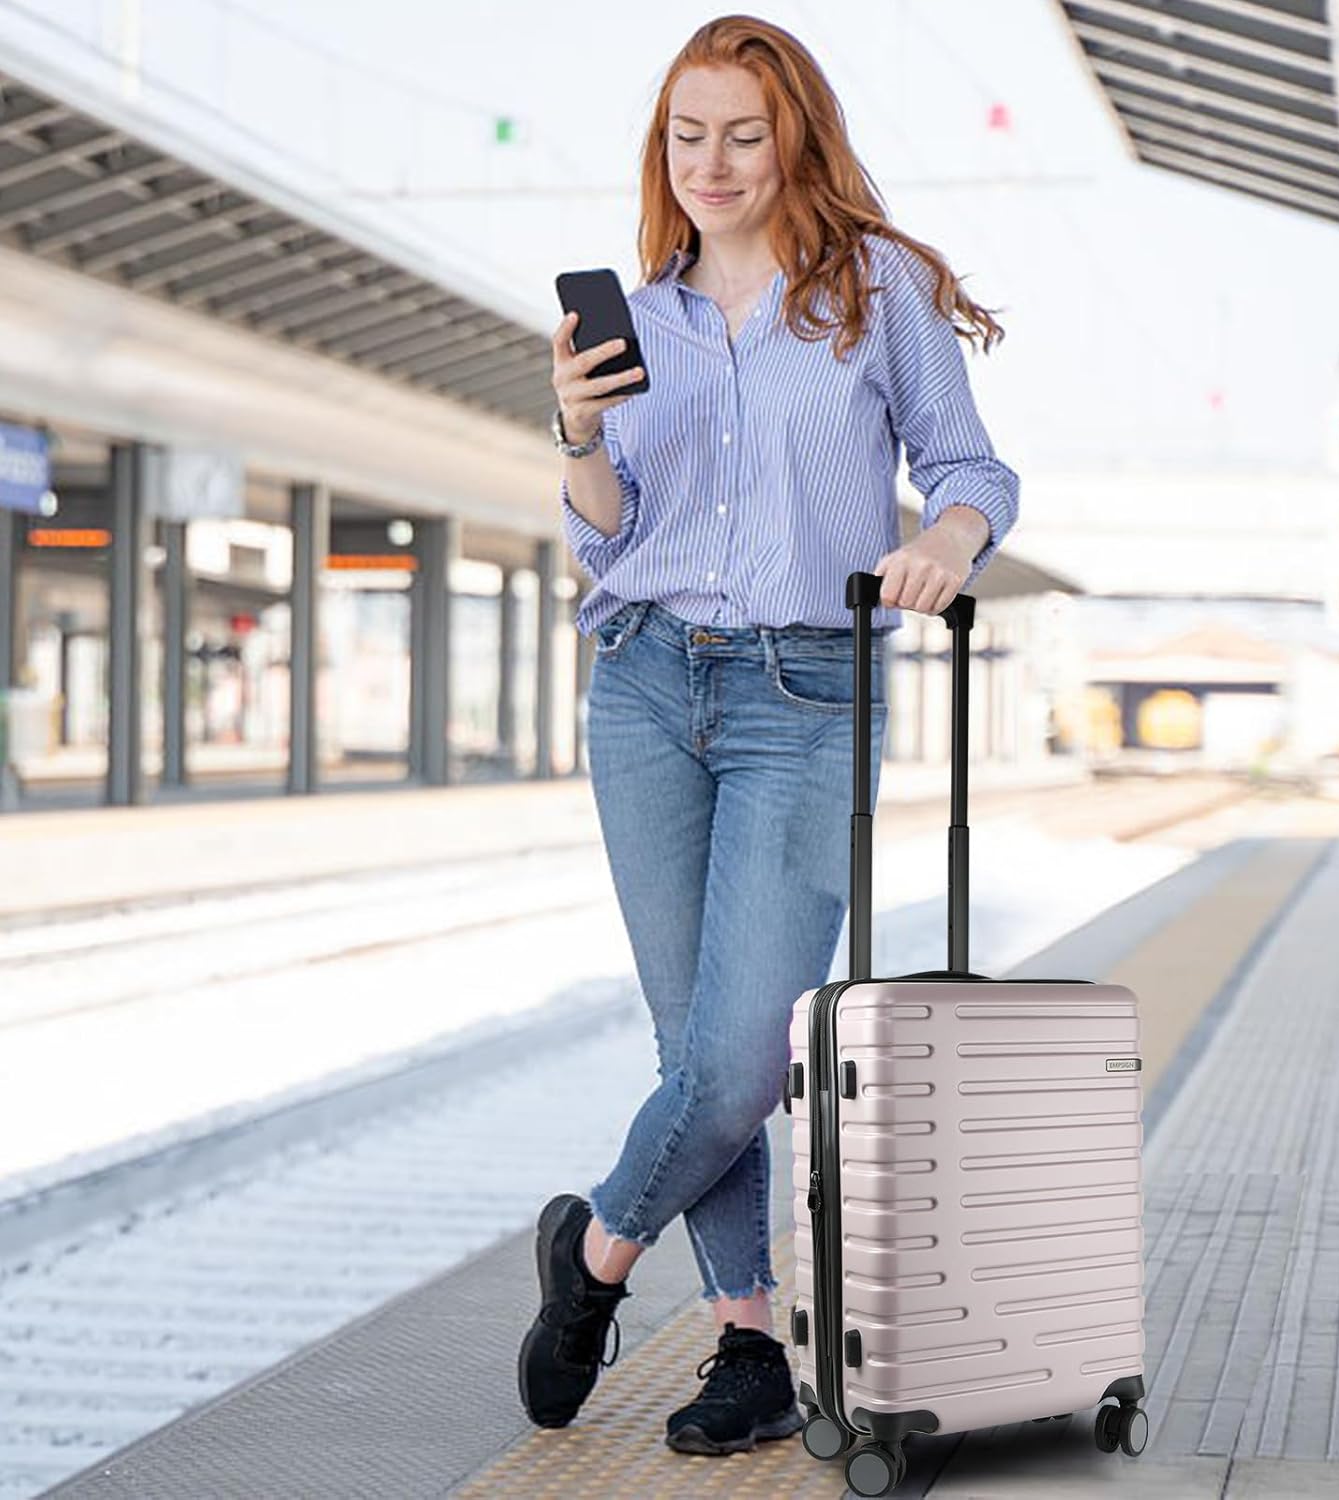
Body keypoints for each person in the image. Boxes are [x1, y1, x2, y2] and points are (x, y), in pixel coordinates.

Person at [518, 12, 1019, 1457]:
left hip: (806, 690)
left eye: (744, 133)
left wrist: (947, 543)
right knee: (692, 1043)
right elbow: (604, 534)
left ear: (796, 139)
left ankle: (593, 1257)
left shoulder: (877, 291)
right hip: (643, 681)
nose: (714, 162)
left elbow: (971, 466)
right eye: (689, 135)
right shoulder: (636, 318)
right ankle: (747, 1340)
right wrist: (574, 432)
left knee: (744, 1056)